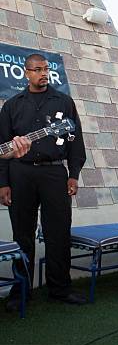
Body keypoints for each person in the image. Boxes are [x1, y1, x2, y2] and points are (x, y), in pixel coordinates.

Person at [0, 53, 87, 310]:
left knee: (58, 232)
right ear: (26, 73)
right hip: (20, 174)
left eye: (46, 69)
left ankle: (60, 289)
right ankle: (21, 291)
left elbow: (75, 141)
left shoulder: (64, 101)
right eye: (37, 70)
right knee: (22, 235)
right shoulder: (11, 106)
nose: (43, 73)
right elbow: (3, 147)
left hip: (54, 174)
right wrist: (3, 182)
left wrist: (73, 174)